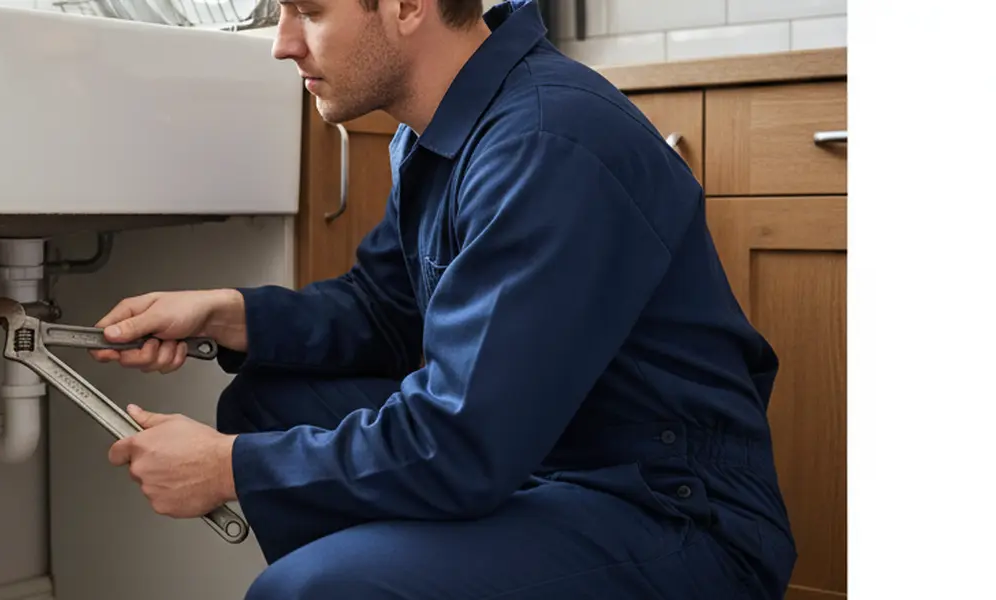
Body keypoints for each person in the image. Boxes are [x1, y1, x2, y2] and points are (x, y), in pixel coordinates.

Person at [93, 0, 797, 598]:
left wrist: (228, 466)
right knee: (267, 403)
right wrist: (229, 313)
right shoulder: (445, 128)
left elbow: (460, 442)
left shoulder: (546, 143)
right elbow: (386, 311)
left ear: (405, 7)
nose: (282, 43)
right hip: (542, 451)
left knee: (307, 591)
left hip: (669, 512)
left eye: (309, 11)